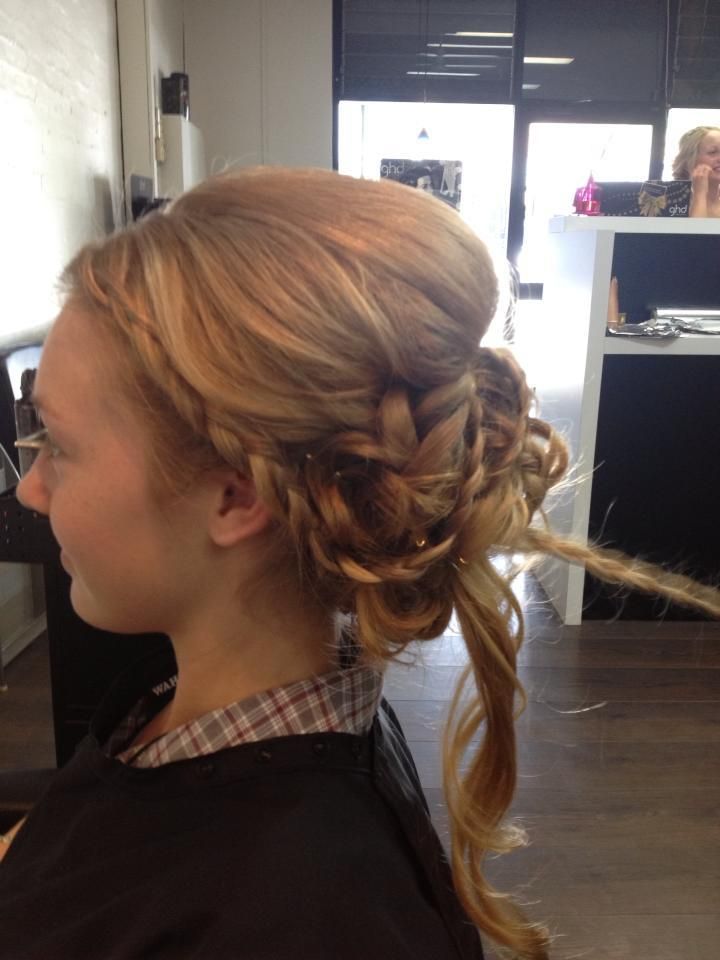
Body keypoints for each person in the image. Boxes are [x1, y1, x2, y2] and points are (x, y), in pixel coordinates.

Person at [1, 168, 718, 960]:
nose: (31, 488)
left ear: (237, 496)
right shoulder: (176, 710)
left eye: (57, 445)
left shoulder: (304, 915)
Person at [672, 125, 720, 217]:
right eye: (712, 152)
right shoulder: (672, 204)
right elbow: (697, 230)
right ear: (689, 160)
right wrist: (700, 194)